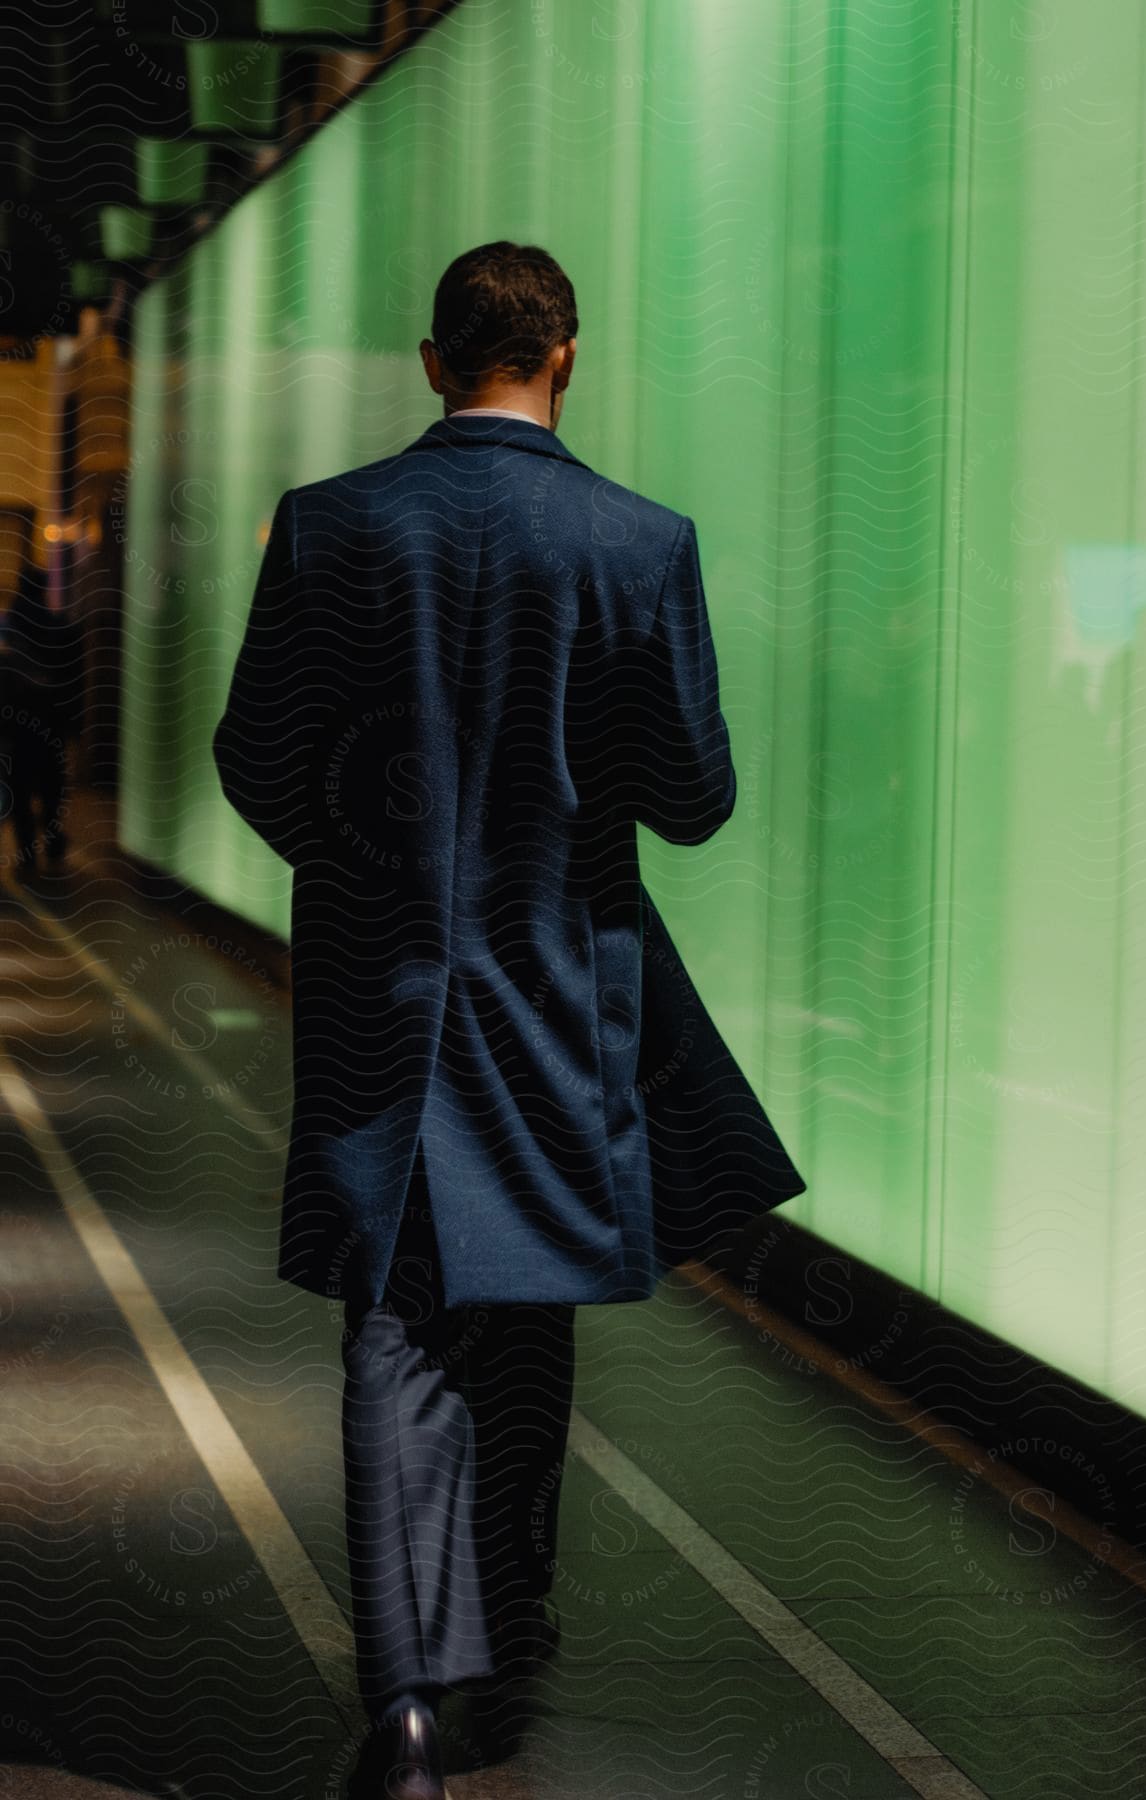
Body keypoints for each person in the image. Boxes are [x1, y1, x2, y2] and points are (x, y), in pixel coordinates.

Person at [211, 242, 805, 1799]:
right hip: (557, 993)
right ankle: (513, 1627)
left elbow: (258, 759)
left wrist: (365, 872)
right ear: (568, 360)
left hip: (379, 993)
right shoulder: (639, 542)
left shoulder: (333, 528)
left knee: (395, 1327)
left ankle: (406, 1697)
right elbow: (691, 801)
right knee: (525, 1309)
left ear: (431, 362)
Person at [0, 546, 81, 871]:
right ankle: (51, 838)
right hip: (49, 722)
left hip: (15, 726)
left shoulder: (10, 629)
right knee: (50, 786)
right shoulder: (60, 629)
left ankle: (27, 851)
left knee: (18, 788)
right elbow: (73, 678)